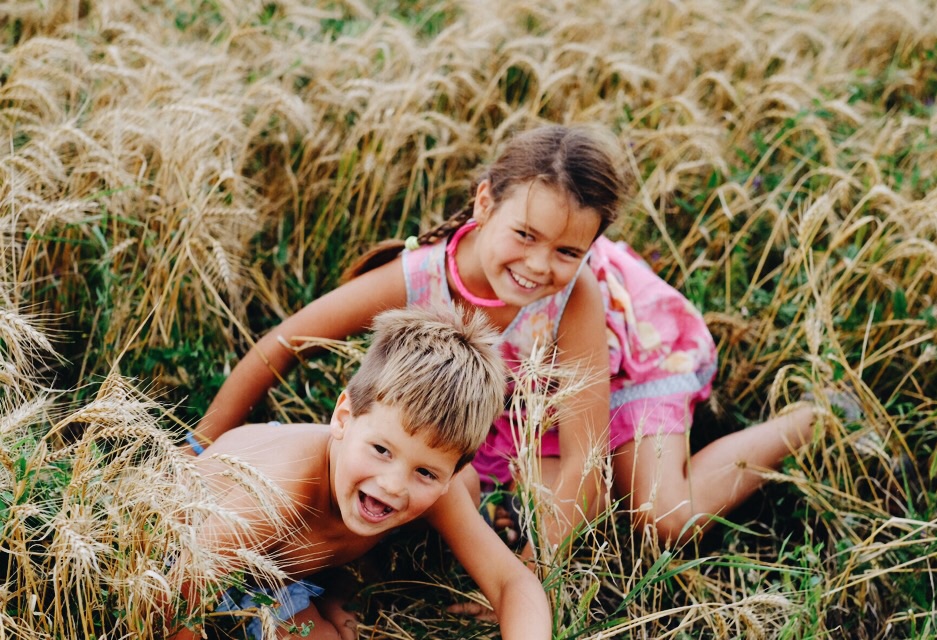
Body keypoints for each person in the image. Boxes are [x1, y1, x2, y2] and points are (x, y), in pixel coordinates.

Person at [188, 124, 816, 554]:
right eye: (525, 235)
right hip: (525, 402)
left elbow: (583, 456)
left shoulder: (577, 297)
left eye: (568, 250)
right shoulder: (423, 275)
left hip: (628, 366)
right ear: (485, 202)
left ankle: (804, 424)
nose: (540, 265)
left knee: (659, 518)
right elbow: (284, 343)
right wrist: (199, 447)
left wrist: (534, 573)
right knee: (460, 499)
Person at [172, 306, 550, 640]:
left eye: (426, 472)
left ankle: (341, 584)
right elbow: (176, 591)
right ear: (343, 417)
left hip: (288, 568)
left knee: (468, 492)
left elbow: (510, 582)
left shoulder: (442, 482)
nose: (392, 484)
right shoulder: (276, 487)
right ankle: (338, 585)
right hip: (208, 562)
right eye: (381, 450)